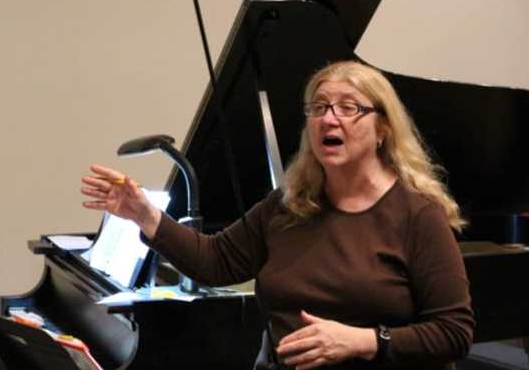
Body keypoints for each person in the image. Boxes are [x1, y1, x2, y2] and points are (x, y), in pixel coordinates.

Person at [81, 61, 474, 369]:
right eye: (318, 107)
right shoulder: (289, 204)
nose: (328, 118)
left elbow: (454, 333)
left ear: (383, 128)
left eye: (348, 108)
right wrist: (143, 213)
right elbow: (214, 261)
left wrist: (364, 340)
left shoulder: (418, 216)